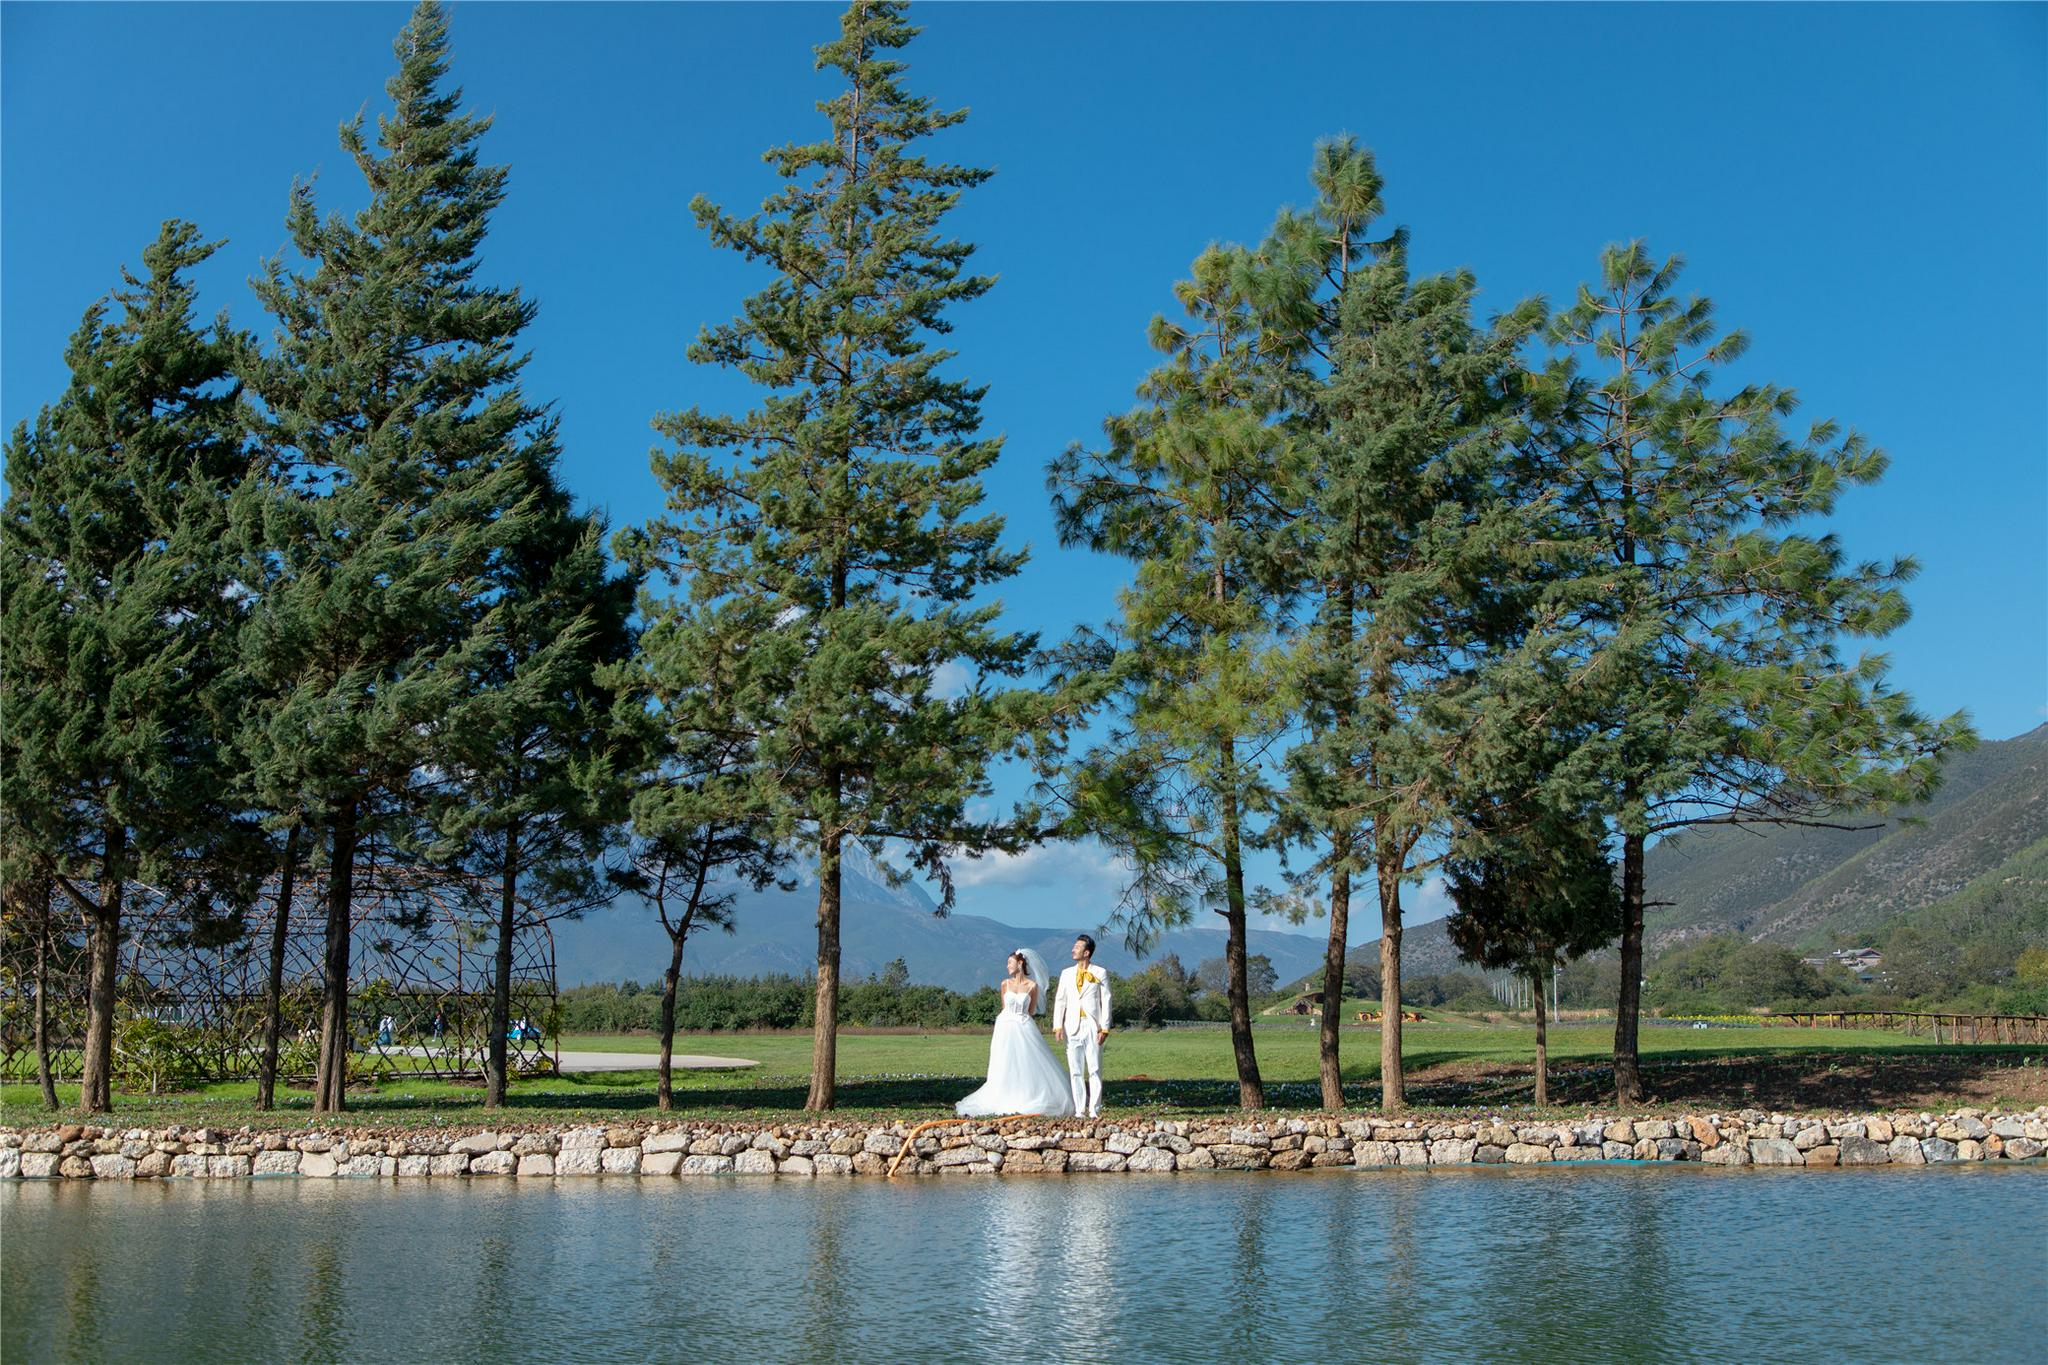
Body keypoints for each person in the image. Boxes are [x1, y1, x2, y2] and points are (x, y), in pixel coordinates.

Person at [955, 949, 1074, 1117]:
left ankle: (1027, 1094)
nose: (1007, 966)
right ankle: (1002, 1093)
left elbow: (1031, 1011)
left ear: (1020, 963)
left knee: (1026, 1060)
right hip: (1004, 1026)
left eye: (1010, 963)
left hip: (1024, 1026)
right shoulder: (1005, 984)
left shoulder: (1032, 986)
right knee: (1004, 1061)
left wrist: (1020, 1017)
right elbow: (1004, 1007)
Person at [1052, 934, 1112, 1119]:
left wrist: (1105, 1027)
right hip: (1072, 1026)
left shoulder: (1100, 972)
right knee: (1075, 1070)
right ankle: (1079, 1110)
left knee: (1094, 1068)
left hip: (1093, 1025)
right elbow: (1060, 1000)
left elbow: (1106, 1000)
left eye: (1077, 947)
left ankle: (1094, 1109)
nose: (1073, 950)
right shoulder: (1066, 973)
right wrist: (1058, 1025)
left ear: (1086, 952)